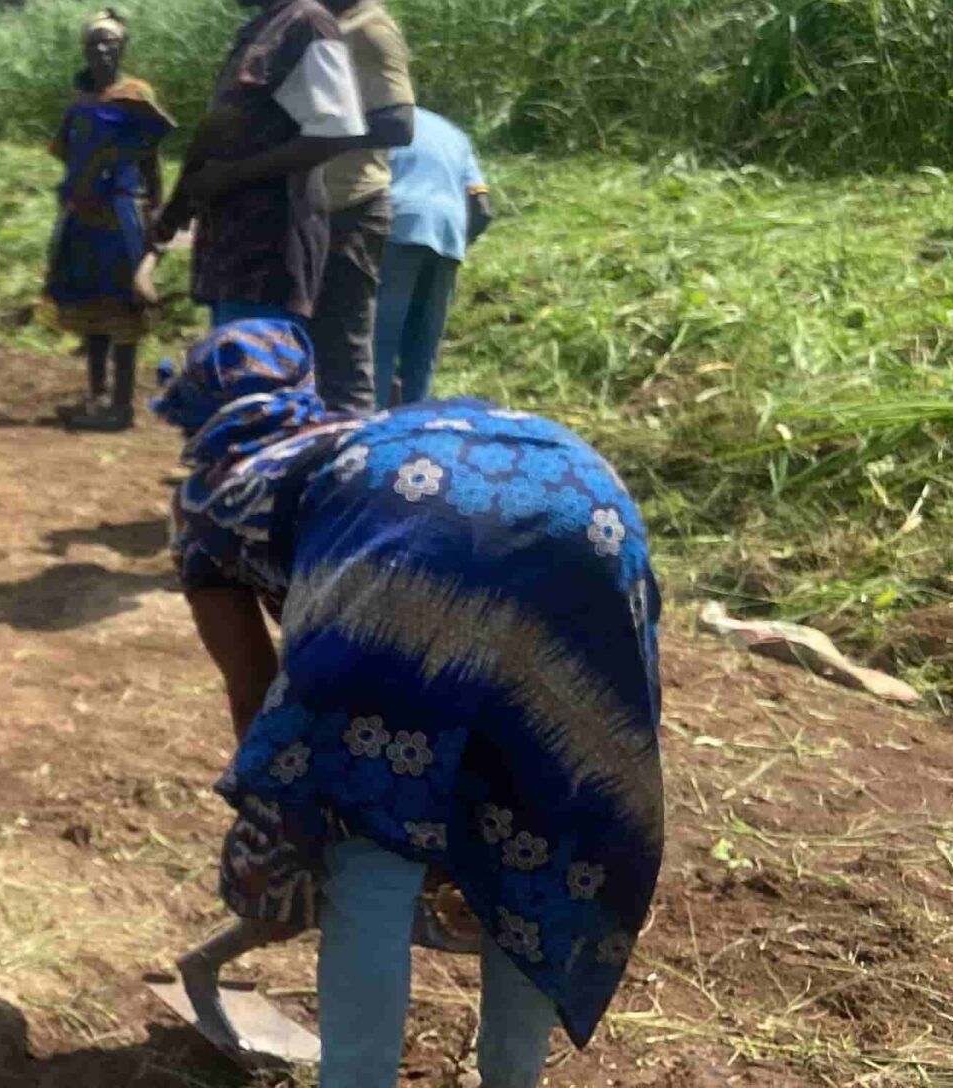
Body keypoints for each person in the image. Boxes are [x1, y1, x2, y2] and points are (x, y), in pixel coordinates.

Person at [154, 319, 663, 1087]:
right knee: (540, 830)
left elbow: (256, 694)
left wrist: (289, 833)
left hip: (412, 518)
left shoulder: (213, 497)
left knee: (370, 854)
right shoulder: (357, 434)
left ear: (196, 414)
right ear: (302, 389)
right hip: (586, 495)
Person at [152, 0, 367, 329]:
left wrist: (233, 175)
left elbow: (335, 133)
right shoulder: (262, 31)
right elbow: (220, 128)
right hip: (233, 252)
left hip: (271, 257)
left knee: (258, 382)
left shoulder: (308, 25)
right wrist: (178, 207)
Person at [39, 10, 171, 432]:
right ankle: (95, 396)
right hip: (83, 213)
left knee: (123, 307)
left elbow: (150, 158)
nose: (102, 49)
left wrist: (157, 210)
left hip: (121, 213)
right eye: (94, 42)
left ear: (122, 48)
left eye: (109, 42)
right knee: (90, 306)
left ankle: (121, 405)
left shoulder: (135, 96)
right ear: (84, 49)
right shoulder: (79, 102)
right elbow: (68, 154)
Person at [309, 0, 419, 412]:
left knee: (345, 350)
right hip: (327, 207)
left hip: (352, 207)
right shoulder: (341, 27)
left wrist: (310, 143)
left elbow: (398, 123)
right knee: (323, 347)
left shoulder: (372, 32)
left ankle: (352, 459)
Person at [376, 108, 493, 405]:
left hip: (397, 227)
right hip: (449, 233)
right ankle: (416, 420)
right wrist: (459, 244)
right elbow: (482, 208)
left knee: (380, 342)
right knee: (423, 347)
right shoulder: (453, 133)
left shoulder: (378, 120)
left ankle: (373, 426)